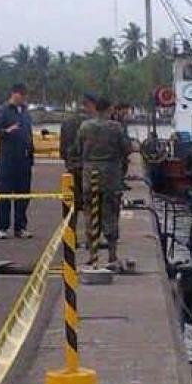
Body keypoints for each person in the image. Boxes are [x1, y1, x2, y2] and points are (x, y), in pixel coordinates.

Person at [75, 96, 131, 267]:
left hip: (90, 174)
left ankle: (92, 255)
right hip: (111, 175)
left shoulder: (85, 127)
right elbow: (126, 149)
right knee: (111, 214)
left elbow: (77, 148)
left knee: (91, 214)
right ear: (109, 109)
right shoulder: (116, 128)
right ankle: (112, 255)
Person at [0, 83, 34, 239]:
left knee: (23, 195)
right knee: (5, 194)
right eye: (21, 95)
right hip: (7, 160)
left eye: (25, 96)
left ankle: (20, 227)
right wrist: (6, 131)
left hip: (24, 160)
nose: (23, 99)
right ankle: (1, 227)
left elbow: (28, 134)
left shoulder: (26, 113)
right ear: (14, 94)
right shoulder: (3, 112)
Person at [60, 92, 98, 244]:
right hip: (89, 168)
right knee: (91, 204)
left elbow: (62, 148)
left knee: (71, 206)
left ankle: (71, 237)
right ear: (91, 104)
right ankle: (91, 239)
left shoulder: (67, 122)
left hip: (72, 167)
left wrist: (69, 161)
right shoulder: (93, 123)